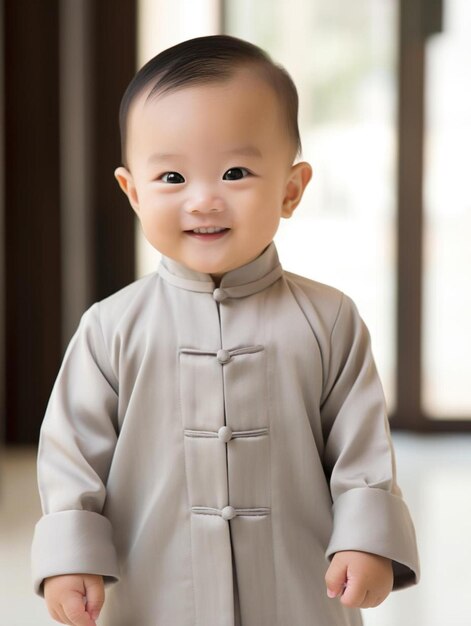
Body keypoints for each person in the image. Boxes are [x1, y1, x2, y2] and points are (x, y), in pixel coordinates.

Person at [32, 35, 419, 626]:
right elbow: (72, 453)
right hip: (156, 593)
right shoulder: (110, 327)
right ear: (132, 193)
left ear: (291, 189)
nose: (204, 201)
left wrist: (366, 538)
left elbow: (362, 447)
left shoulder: (330, 319)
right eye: (171, 178)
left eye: (235, 172)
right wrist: (70, 555)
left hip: (299, 590)